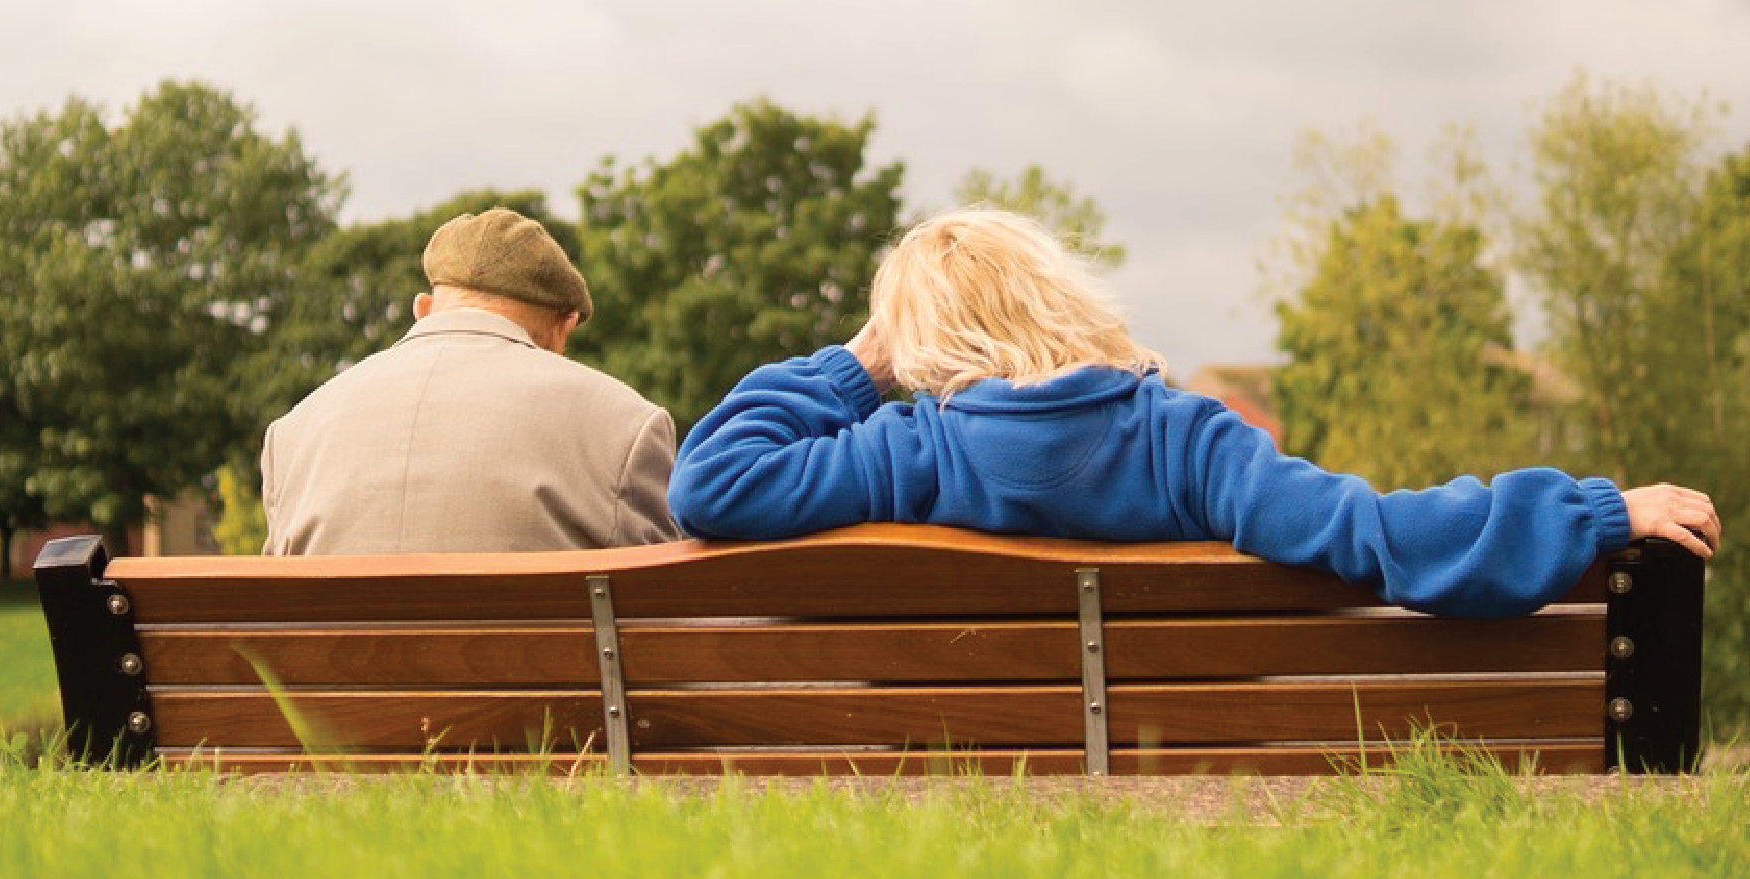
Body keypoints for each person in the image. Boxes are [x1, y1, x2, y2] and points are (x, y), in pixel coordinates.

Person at [668, 208, 1719, 617]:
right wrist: (1588, 514)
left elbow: (709, 482)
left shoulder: (901, 451)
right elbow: (1371, 533)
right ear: (1059, 298)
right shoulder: (1185, 440)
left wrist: (857, 366)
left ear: (921, 344)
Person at [262, 208, 680, 554]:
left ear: (423, 308)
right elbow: (662, 614)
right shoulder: (627, 425)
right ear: (563, 325)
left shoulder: (292, 434)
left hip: (330, 659)